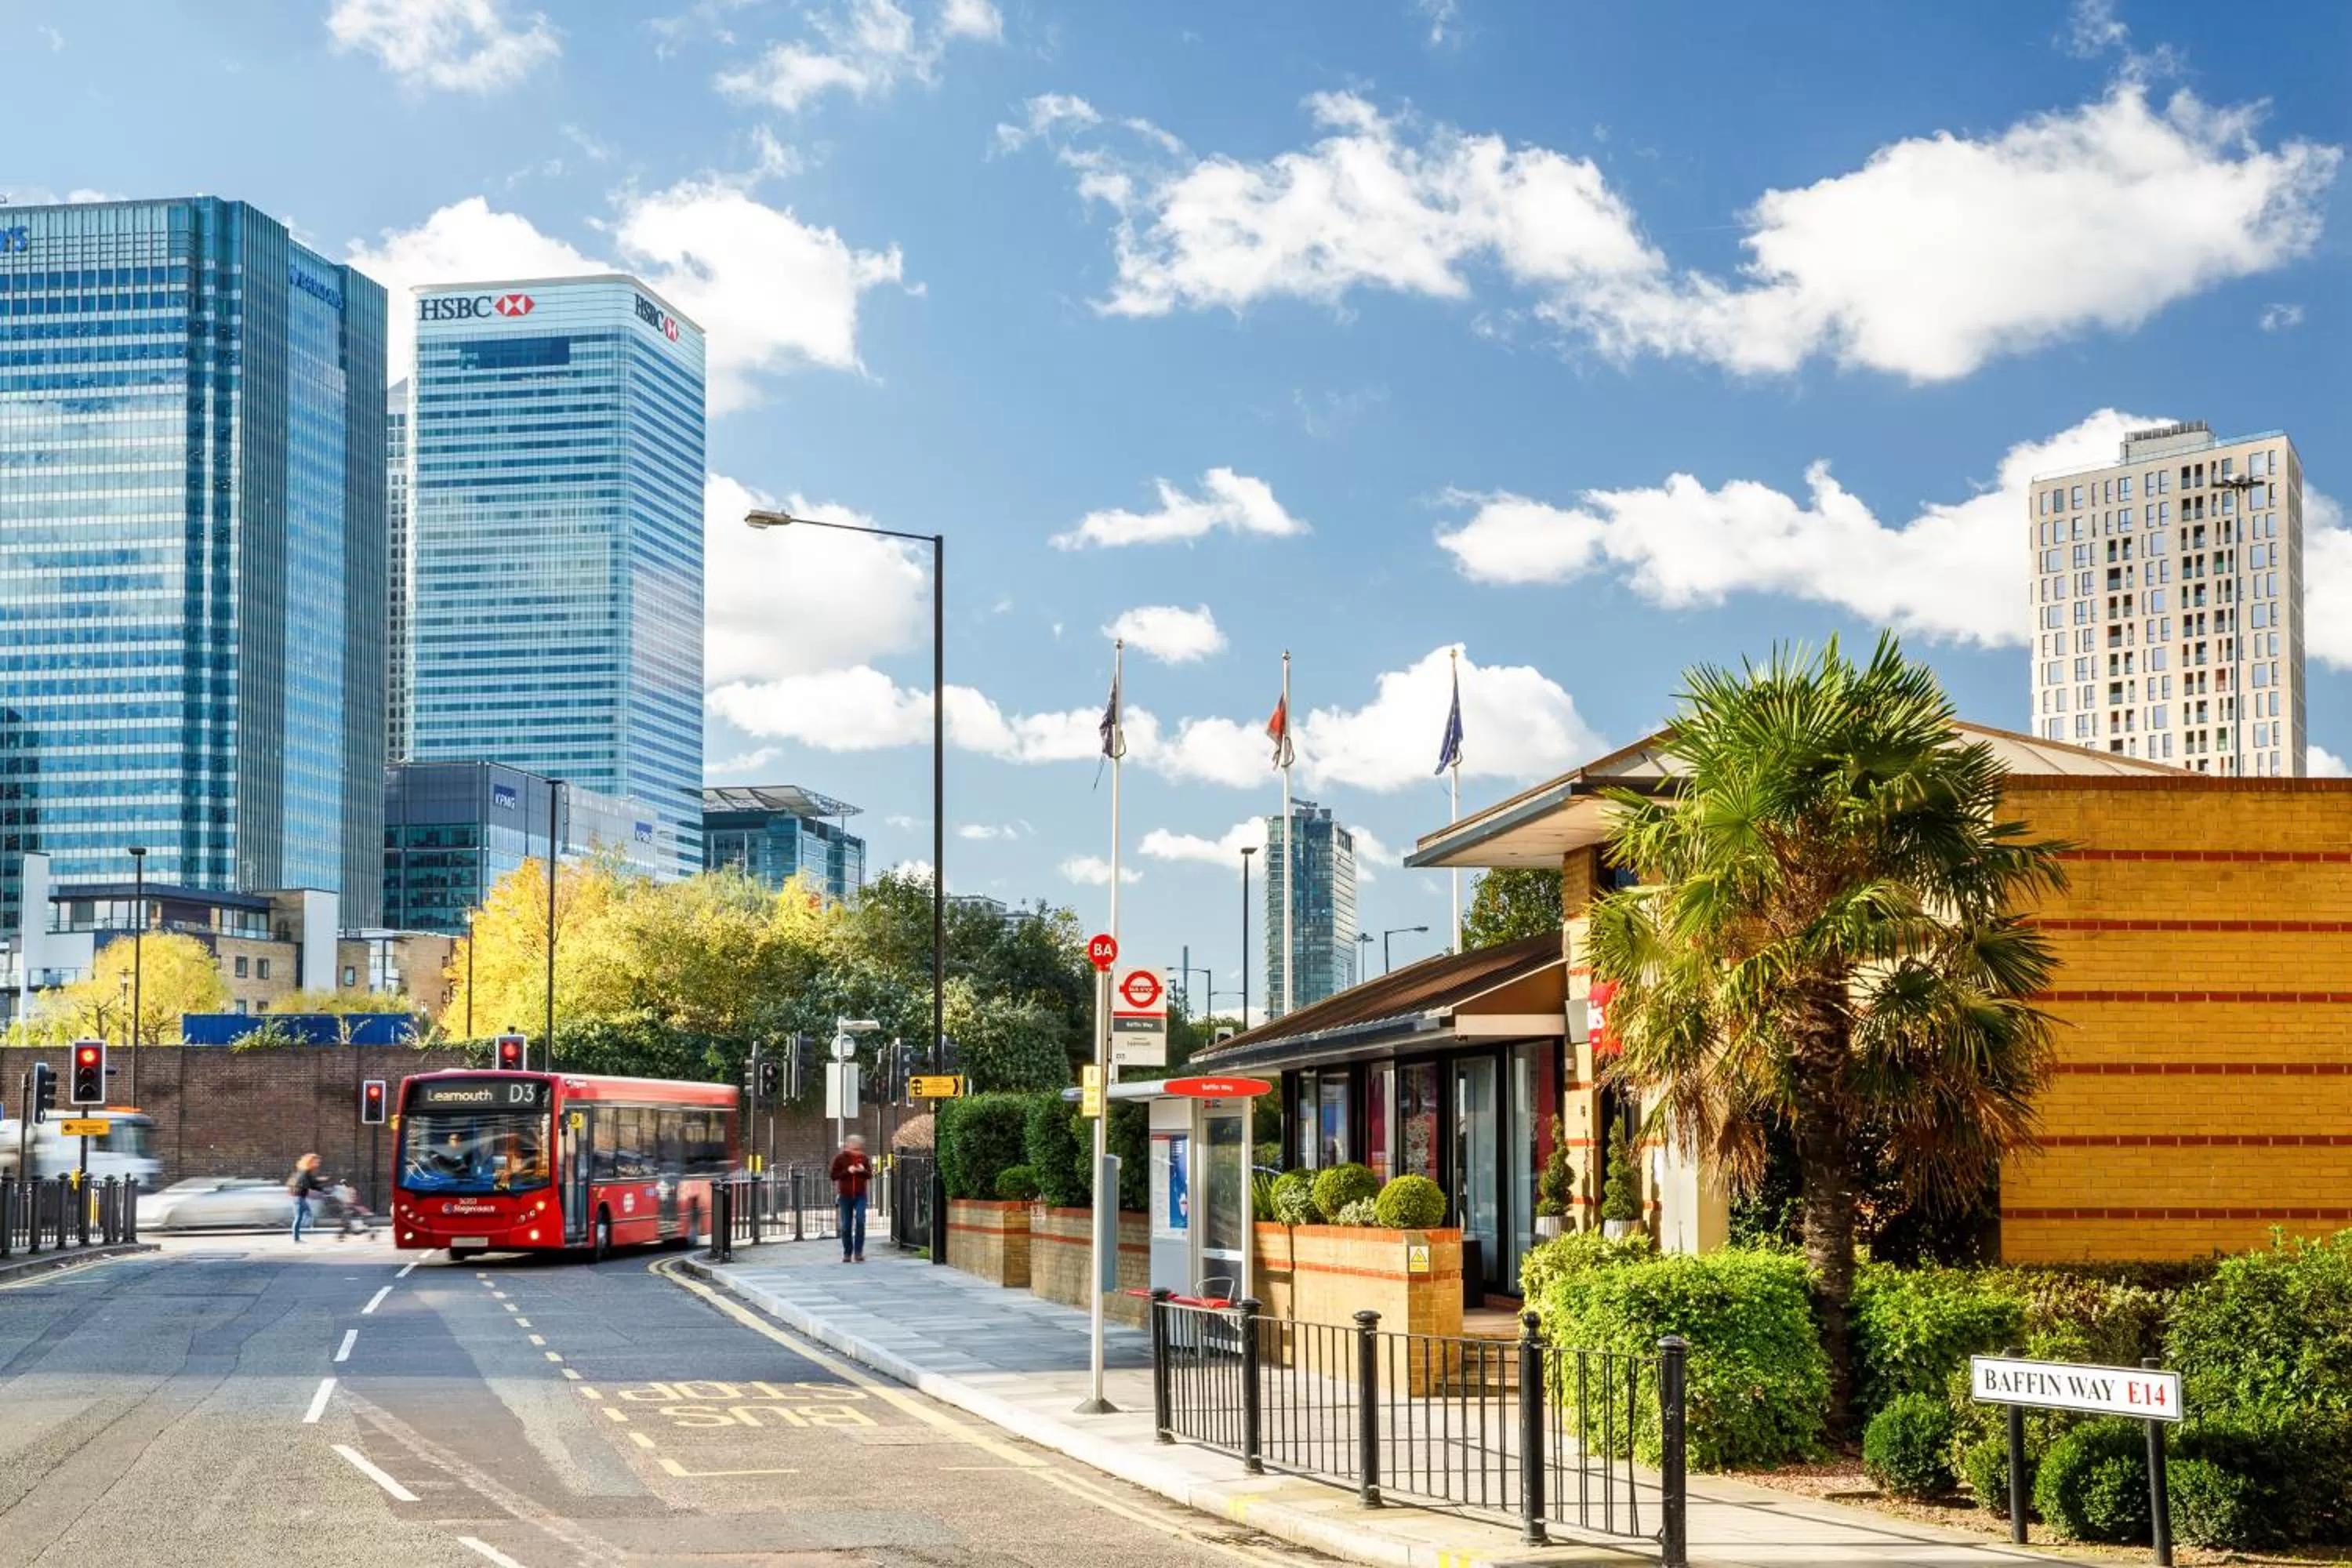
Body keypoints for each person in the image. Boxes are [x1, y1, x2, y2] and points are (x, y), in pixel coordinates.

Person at [829, 1134, 870, 1263]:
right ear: (848, 1147)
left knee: (860, 1220)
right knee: (846, 1225)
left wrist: (863, 1171)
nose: (857, 1151)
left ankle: (858, 1252)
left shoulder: (864, 1158)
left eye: (859, 1149)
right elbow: (833, 1175)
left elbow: (869, 1175)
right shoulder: (840, 1158)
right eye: (854, 1149)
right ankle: (847, 1252)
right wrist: (848, 1171)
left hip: (860, 1194)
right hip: (845, 1195)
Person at [287, 1152, 323, 1243]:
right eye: (316, 1162)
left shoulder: (303, 1171)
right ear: (310, 1162)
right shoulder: (305, 1172)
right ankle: (296, 1238)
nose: (318, 1164)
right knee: (300, 1217)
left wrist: (318, 1183)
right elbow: (310, 1184)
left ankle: (298, 1236)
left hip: (299, 1197)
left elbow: (310, 1183)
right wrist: (319, 1186)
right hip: (298, 1197)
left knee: (306, 1214)